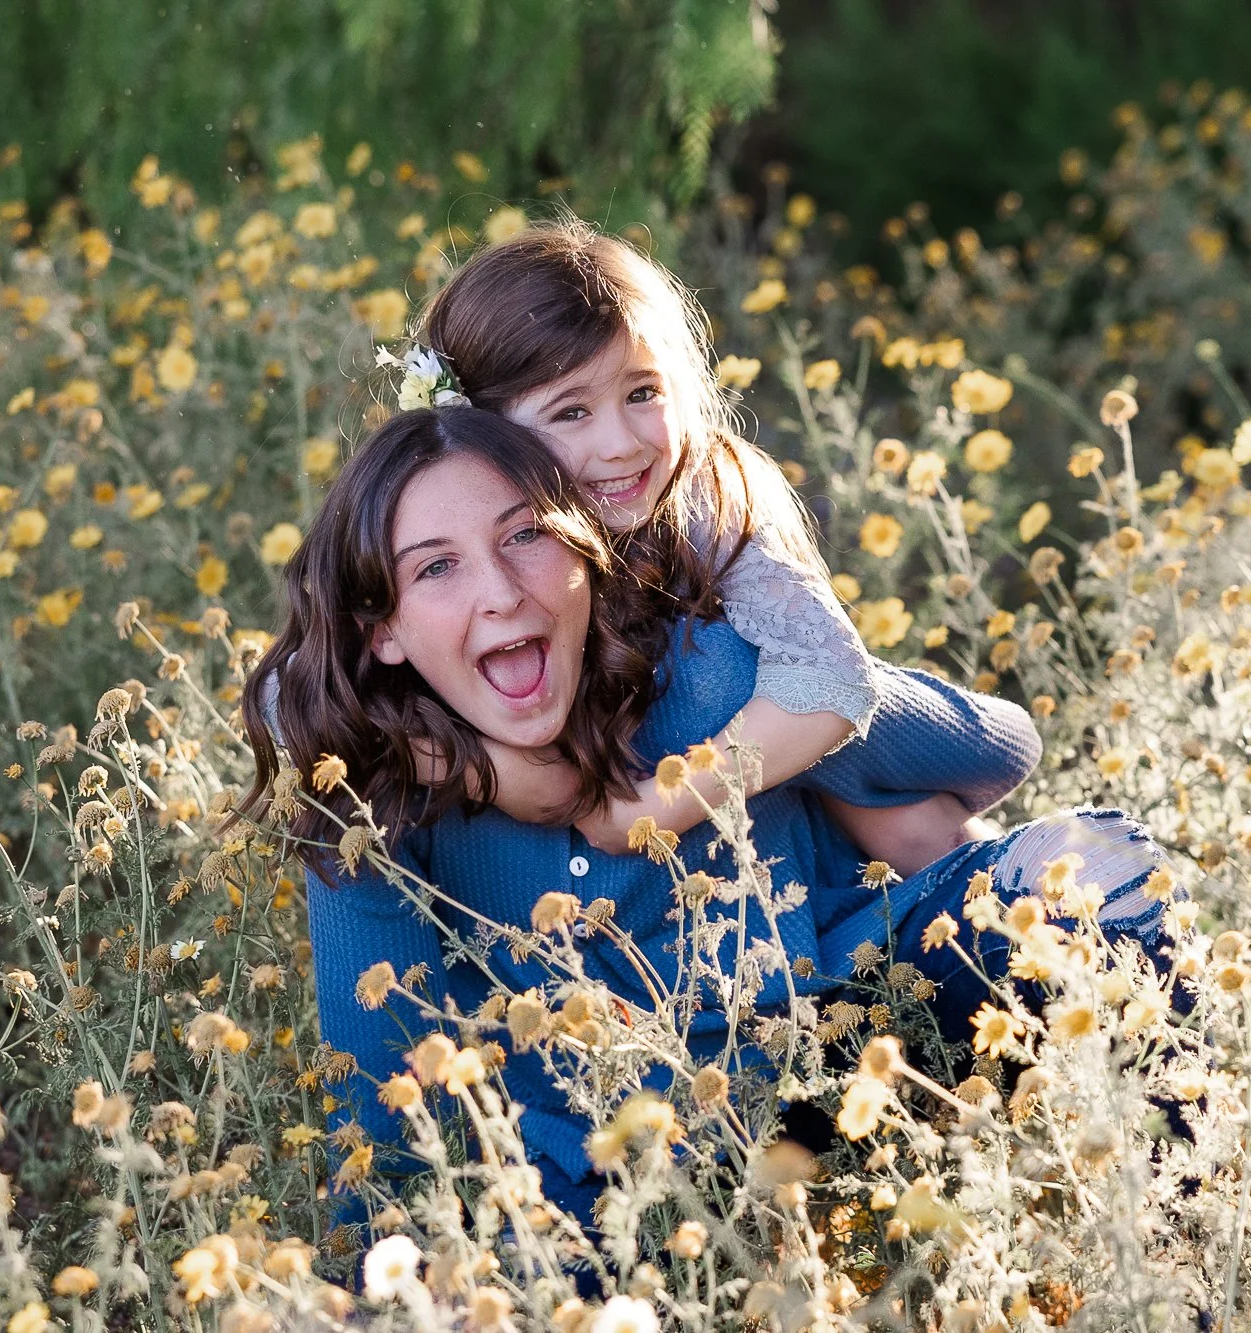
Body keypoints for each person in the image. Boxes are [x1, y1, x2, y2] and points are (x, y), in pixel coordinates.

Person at [243, 407, 1180, 1227]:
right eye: (437, 567)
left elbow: (994, 747)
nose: (498, 591)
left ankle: (1197, 1226)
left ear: (583, 547)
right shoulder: (374, 816)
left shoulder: (701, 674)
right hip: (610, 1187)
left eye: (526, 535)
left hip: (832, 1059)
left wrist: (801, 706)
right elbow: (383, 1121)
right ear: (385, 630)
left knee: (1102, 861)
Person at [410, 217, 974, 874]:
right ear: (477, 430)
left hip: (842, 793)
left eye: (643, 392)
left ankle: (1001, 899)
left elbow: (832, 676)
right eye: (571, 411)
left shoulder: (704, 493)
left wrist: (644, 813)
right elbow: (295, 688)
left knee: (901, 819)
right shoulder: (434, 529)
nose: (621, 442)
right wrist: (498, 772)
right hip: (701, 877)